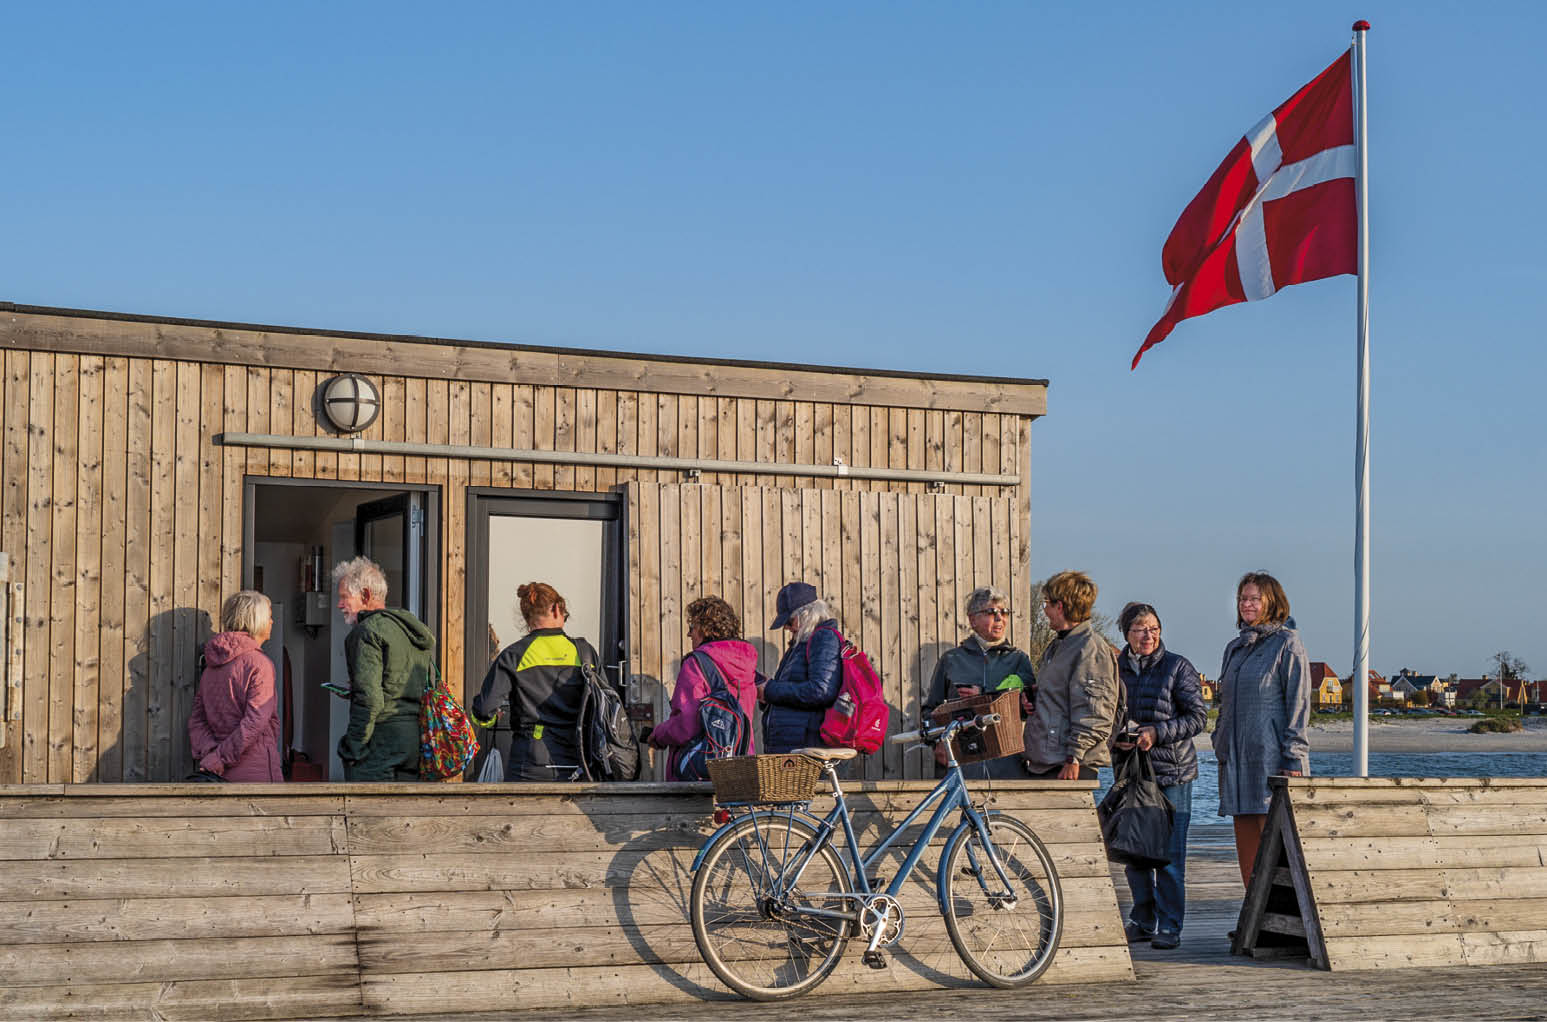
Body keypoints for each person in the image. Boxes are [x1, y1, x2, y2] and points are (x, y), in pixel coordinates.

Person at [1113, 601, 1208, 950]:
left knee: (1168, 855)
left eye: (1154, 628)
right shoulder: (1115, 668)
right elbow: (1107, 713)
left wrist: (1157, 733)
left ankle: (1170, 925)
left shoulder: (1177, 667)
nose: (1148, 635)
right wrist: (1117, 739)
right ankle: (1142, 919)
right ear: (1127, 634)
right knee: (1134, 852)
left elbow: (1199, 717)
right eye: (1140, 629)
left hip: (1173, 772)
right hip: (1131, 772)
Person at [1214, 571, 1312, 887]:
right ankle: (1251, 922)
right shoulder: (1234, 648)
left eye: (1254, 598)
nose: (1246, 604)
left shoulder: (1288, 645)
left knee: (1278, 844)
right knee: (1247, 845)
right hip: (1237, 760)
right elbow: (1225, 703)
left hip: (1273, 761)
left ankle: (1285, 921)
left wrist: (1293, 759)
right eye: (1243, 598)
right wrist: (1220, 741)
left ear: (1272, 601)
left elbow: (1299, 706)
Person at [471, 582, 601, 781]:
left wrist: (492, 717)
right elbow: (602, 709)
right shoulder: (585, 652)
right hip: (580, 762)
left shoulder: (514, 655)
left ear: (526, 617)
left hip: (531, 763)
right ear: (556, 608)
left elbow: (483, 711)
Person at [333, 556, 437, 781]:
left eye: (344, 597)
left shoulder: (365, 632)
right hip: (415, 744)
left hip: (379, 746)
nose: (339, 605)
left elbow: (369, 700)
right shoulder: (408, 629)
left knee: (369, 815)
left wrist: (352, 747)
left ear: (366, 595)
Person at [922, 585, 1036, 779]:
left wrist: (983, 697)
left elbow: (1027, 710)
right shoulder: (951, 660)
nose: (1000, 618)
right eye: (991, 612)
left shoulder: (1019, 660)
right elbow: (930, 710)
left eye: (1004, 612)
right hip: (961, 768)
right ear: (972, 619)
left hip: (1007, 770)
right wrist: (937, 742)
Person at [647, 596, 760, 779]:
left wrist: (659, 735)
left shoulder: (697, 663)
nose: (689, 634)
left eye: (692, 627)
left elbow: (686, 725)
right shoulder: (746, 662)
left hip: (704, 769)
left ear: (704, 629)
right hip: (740, 767)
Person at [1022, 571, 1119, 780]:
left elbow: (1095, 711)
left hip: (1068, 766)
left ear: (1060, 606)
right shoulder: (1058, 646)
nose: (1044, 610)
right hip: (1046, 761)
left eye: (1046, 603)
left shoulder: (1090, 648)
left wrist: (1074, 756)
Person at [188, 590, 283, 782]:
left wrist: (212, 752)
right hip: (255, 770)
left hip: (218, 771)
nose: (272, 622)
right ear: (256, 621)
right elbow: (256, 720)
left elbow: (197, 719)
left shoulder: (211, 667)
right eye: (270, 617)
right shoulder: (259, 663)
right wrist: (220, 757)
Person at [760, 581, 843, 755]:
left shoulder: (823, 638)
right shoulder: (802, 643)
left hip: (807, 745)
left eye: (789, 621)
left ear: (807, 615)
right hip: (794, 745)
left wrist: (770, 690)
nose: (786, 627)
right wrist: (767, 696)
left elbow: (822, 690)